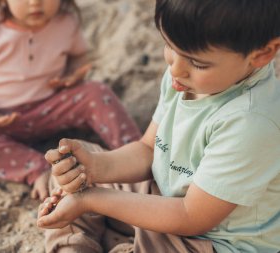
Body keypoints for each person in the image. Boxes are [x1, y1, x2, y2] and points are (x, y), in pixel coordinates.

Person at [37, 0, 280, 252]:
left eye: (198, 63)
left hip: (211, 240)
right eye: (168, 46)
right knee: (77, 176)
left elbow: (192, 217)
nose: (175, 68)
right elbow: (149, 149)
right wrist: (94, 168)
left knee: (88, 198)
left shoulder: (251, 122)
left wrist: (92, 200)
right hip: (166, 198)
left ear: (262, 54)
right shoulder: (185, 77)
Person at [0, 0, 141, 201]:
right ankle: (39, 169)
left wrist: (72, 74)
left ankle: (134, 152)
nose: (35, 3)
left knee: (96, 92)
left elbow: (79, 56)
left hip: (52, 107)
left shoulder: (66, 21)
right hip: (2, 117)